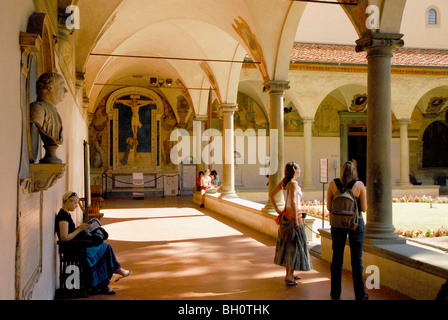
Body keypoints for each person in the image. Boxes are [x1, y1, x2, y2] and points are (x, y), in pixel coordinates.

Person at [55, 191, 131, 295]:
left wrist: (82, 229)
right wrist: (79, 229)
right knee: (105, 248)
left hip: (77, 245)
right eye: (75, 203)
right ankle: (110, 278)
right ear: (68, 201)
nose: (76, 206)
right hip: (73, 249)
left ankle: (111, 277)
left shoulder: (66, 215)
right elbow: (64, 238)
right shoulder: (63, 217)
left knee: (104, 247)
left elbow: (69, 234)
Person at [326, 161, 368, 300]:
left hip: (337, 225)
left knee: (337, 259)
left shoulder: (333, 184)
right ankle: (360, 295)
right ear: (354, 171)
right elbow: (364, 208)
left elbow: (328, 207)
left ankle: (335, 293)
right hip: (355, 224)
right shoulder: (359, 185)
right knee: (357, 261)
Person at [269, 162, 312, 286]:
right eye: (299, 168)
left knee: (288, 245)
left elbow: (271, 194)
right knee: (295, 246)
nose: (300, 170)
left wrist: (278, 210)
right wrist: (297, 221)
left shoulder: (284, 182)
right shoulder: (293, 183)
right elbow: (293, 202)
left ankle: (289, 274)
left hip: (286, 215)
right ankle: (289, 276)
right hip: (294, 215)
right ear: (294, 170)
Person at [29, 72, 68, 164]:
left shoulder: (53, 111)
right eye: (62, 86)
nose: (65, 90)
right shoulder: (38, 108)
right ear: (50, 88)